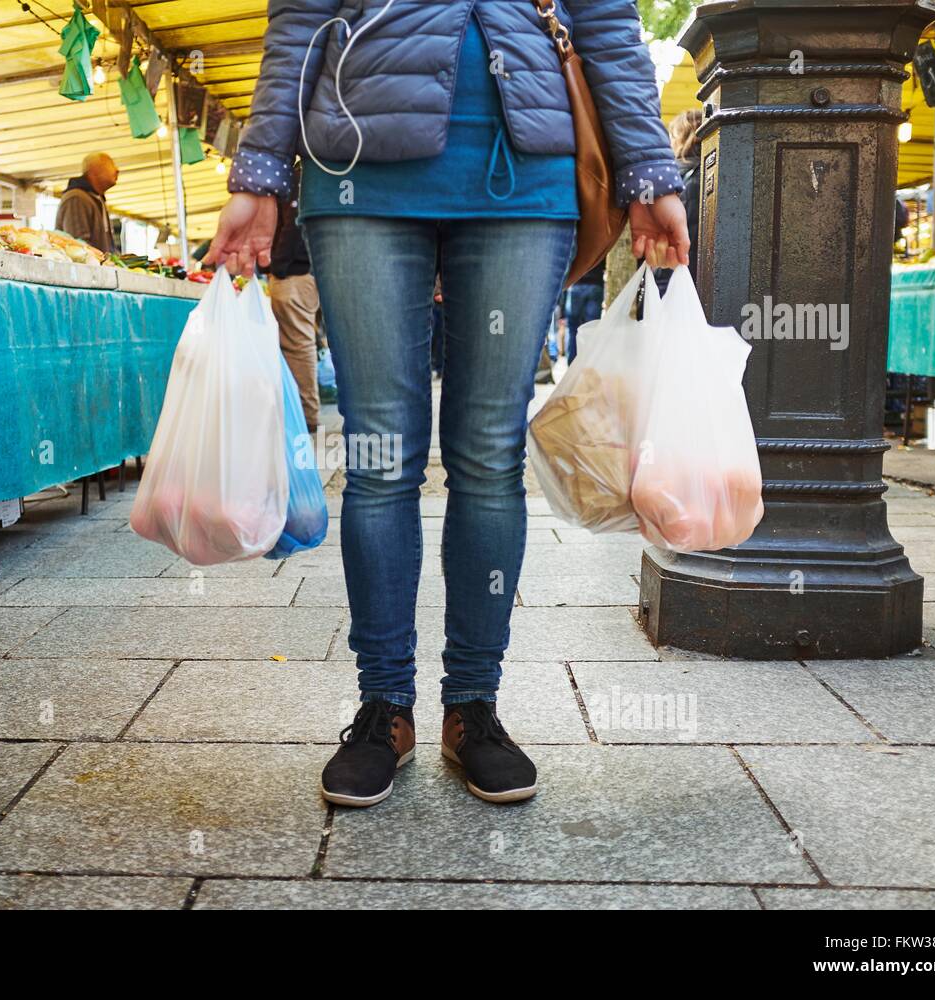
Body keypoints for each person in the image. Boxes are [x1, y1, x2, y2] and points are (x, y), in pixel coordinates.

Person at [206, 0, 688, 809]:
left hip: (524, 173)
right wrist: (260, 172)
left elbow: (604, 17)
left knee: (489, 454)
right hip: (360, 171)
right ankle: (385, 708)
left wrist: (646, 168)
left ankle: (474, 707)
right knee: (381, 456)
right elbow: (300, 18)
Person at [267, 165, 321, 431]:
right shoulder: (313, 171)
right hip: (307, 271)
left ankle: (306, 415)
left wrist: (277, 265)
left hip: (295, 274)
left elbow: (294, 222)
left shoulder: (297, 177)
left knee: (297, 346)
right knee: (301, 344)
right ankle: (305, 412)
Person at [654, 108, 703, 294]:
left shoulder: (672, 177)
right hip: (695, 279)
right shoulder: (710, 173)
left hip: (669, 275)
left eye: (673, 136)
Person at [55, 152, 119, 253]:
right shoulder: (77, 198)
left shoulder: (96, 198)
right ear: (95, 170)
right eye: (111, 164)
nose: (117, 170)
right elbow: (77, 246)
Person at [564, 260, 606, 364]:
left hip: (576, 285)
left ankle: (572, 365)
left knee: (573, 329)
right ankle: (588, 366)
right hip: (595, 285)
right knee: (591, 328)